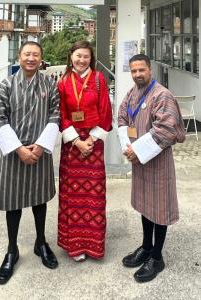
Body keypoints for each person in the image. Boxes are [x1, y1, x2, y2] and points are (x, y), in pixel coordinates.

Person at [0, 41, 60, 285]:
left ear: (41, 59)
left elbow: (55, 115)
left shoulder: (49, 85)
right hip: (14, 152)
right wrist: (19, 149)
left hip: (40, 150)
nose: (31, 58)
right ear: (19, 57)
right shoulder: (6, 85)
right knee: (14, 203)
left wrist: (39, 147)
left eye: (36, 55)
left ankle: (41, 242)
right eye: (27, 54)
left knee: (39, 200)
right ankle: (12, 250)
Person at [118, 54, 185, 283]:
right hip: (139, 161)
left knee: (159, 208)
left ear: (150, 70)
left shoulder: (162, 95)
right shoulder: (132, 93)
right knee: (146, 205)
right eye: (134, 71)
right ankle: (146, 247)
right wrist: (127, 146)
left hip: (157, 162)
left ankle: (157, 257)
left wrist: (137, 151)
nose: (137, 74)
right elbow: (122, 117)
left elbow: (165, 129)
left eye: (141, 70)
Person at [57, 40, 112, 262]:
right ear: (71, 56)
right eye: (78, 56)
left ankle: (93, 245)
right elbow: (61, 114)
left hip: (94, 145)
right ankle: (74, 244)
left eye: (86, 57)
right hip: (72, 146)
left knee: (93, 196)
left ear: (91, 59)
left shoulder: (98, 80)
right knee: (72, 196)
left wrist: (90, 139)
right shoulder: (62, 82)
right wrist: (77, 141)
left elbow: (106, 112)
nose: (82, 60)